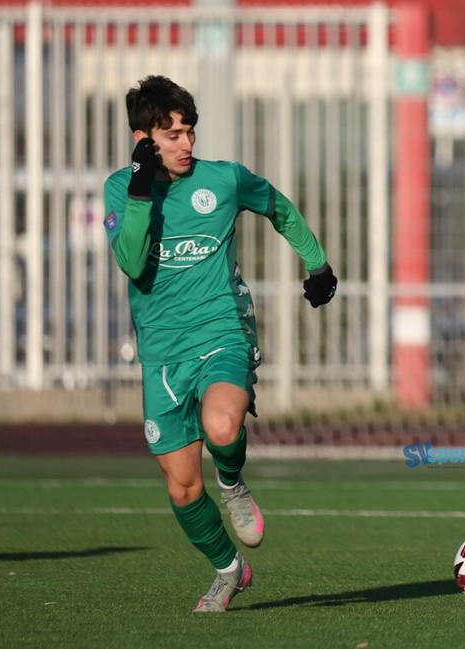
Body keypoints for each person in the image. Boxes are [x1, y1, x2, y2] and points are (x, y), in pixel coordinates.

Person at [102, 75, 337, 613]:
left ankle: (231, 482)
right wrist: (140, 192)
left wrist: (318, 264)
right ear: (143, 140)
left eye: (190, 131)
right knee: (182, 487)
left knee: (222, 426)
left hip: (222, 330)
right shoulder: (120, 189)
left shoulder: (224, 180)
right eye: (172, 135)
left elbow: (278, 206)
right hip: (161, 353)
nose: (186, 144)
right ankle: (229, 570)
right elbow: (132, 262)